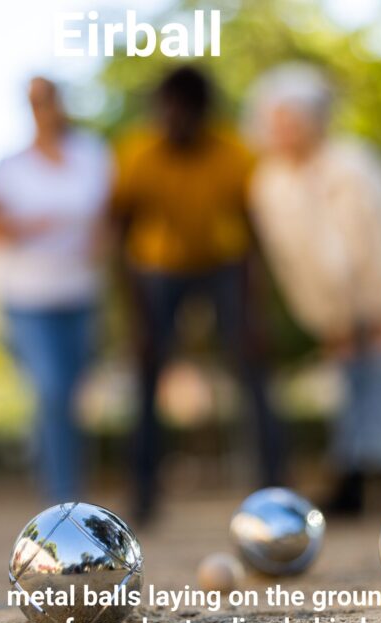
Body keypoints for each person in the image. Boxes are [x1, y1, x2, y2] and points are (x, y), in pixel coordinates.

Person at [246, 63, 381, 515]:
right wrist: (329, 321)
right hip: (339, 297)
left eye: (292, 119)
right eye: (275, 120)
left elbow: (374, 244)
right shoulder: (267, 185)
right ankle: (351, 478)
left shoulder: (353, 165)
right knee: (349, 374)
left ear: (314, 119)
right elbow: (293, 266)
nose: (283, 131)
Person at [112, 66, 285, 524]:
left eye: (185, 112)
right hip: (157, 272)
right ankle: (144, 495)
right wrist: (136, 320)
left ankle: (273, 491)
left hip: (221, 268)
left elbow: (253, 239)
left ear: (203, 114)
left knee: (253, 371)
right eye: (166, 110)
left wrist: (252, 315)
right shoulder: (137, 155)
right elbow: (120, 241)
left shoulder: (234, 154)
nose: (173, 120)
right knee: (147, 377)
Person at [0, 77, 112, 502]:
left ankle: (68, 489)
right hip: (29, 298)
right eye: (35, 102)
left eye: (48, 100)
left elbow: (107, 219)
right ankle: (61, 497)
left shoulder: (92, 154)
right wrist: (31, 224)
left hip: (79, 294)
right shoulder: (12, 165)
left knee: (72, 399)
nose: (43, 109)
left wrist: (99, 239)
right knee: (52, 390)